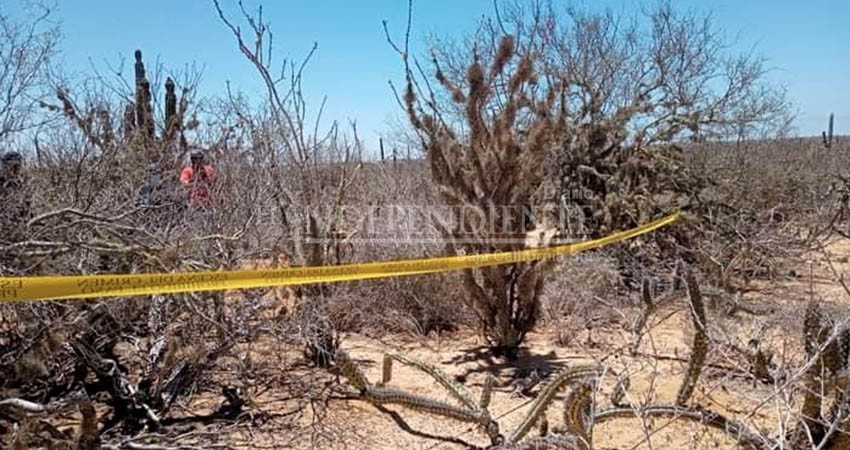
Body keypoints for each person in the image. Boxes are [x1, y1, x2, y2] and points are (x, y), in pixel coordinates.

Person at [0, 151, 32, 242]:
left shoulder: (19, 184)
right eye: (11, 166)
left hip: (16, 226)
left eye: (17, 167)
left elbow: (26, 208)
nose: (15, 170)